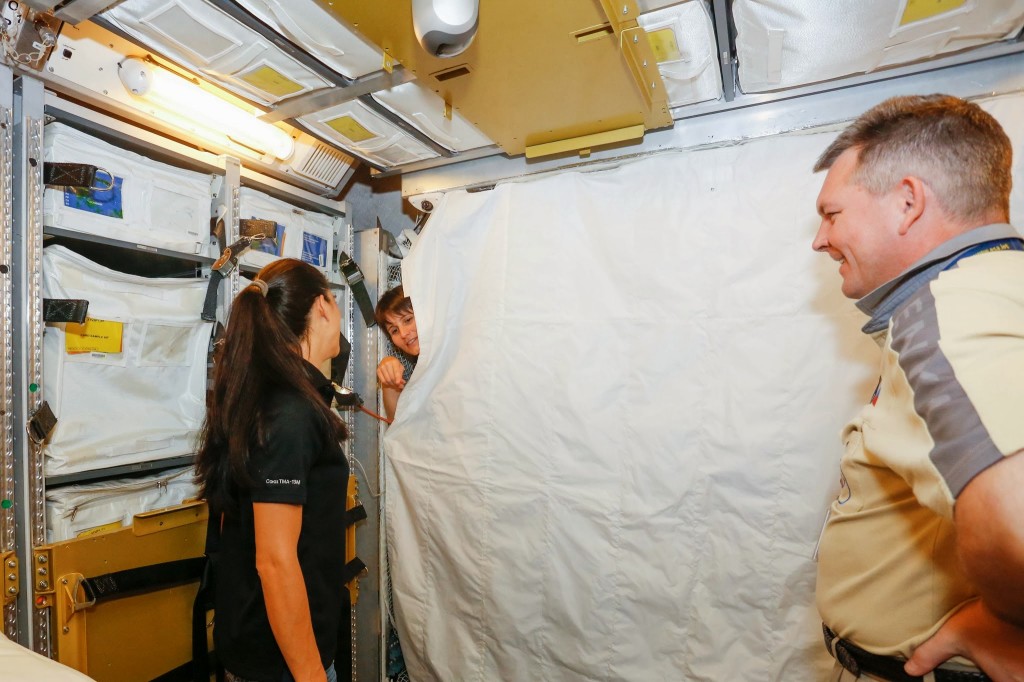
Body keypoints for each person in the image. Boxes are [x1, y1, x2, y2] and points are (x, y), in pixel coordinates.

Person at [811, 94, 1024, 682]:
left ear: (907, 203)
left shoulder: (948, 309)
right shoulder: (999, 285)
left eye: (831, 215)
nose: (820, 240)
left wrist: (1001, 621)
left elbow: (1017, 522)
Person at [195, 259, 349, 682]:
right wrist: (312, 675)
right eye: (335, 302)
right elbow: (276, 562)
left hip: (264, 650)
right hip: (282, 665)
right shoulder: (289, 413)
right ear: (322, 306)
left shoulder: (274, 396)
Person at [374, 285, 420, 421]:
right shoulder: (410, 366)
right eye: (394, 330)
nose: (404, 334)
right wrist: (389, 381)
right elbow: (396, 425)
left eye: (407, 320)